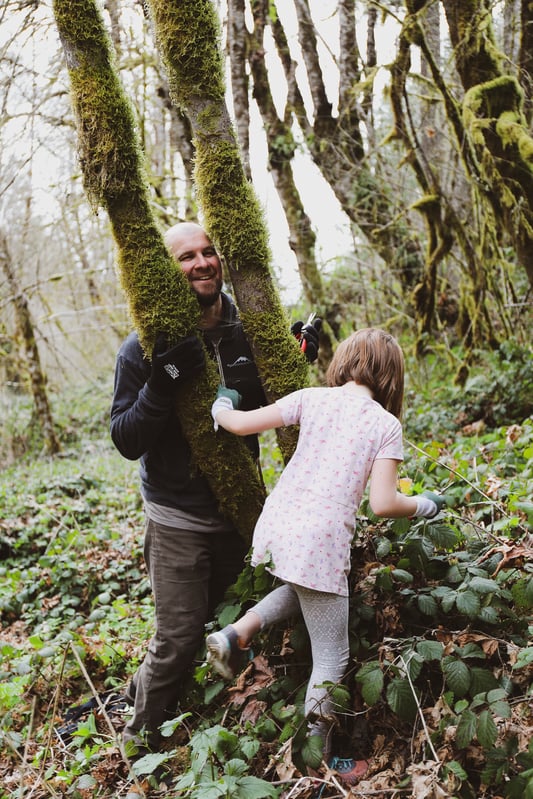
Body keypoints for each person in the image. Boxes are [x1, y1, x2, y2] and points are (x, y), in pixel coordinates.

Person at [109, 221, 321, 773]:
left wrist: (298, 359)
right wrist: (164, 380)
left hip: (241, 511)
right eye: (186, 257)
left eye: (209, 252)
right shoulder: (142, 346)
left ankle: (220, 720)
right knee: (178, 638)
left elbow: (284, 402)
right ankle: (134, 745)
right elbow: (126, 438)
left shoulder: (247, 329)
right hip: (177, 515)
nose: (202, 263)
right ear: (165, 270)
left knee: (233, 617)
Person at [207, 328, 448, 785]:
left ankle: (237, 632)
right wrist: (426, 504)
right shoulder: (385, 425)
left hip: (280, 525)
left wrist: (221, 403)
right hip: (320, 539)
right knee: (331, 660)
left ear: (344, 361)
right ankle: (319, 763)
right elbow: (384, 503)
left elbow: (238, 422)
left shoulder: (312, 397)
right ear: (392, 377)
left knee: (303, 590)